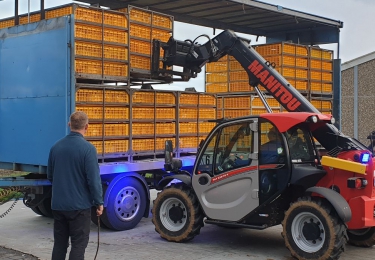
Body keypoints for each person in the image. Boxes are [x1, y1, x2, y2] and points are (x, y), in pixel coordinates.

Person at [47, 111, 104, 260]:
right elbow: (93, 180)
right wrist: (99, 202)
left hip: (58, 206)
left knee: (59, 244)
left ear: (69, 125)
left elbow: (50, 176)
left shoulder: (55, 147)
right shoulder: (88, 149)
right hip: (79, 207)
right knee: (78, 244)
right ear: (87, 126)